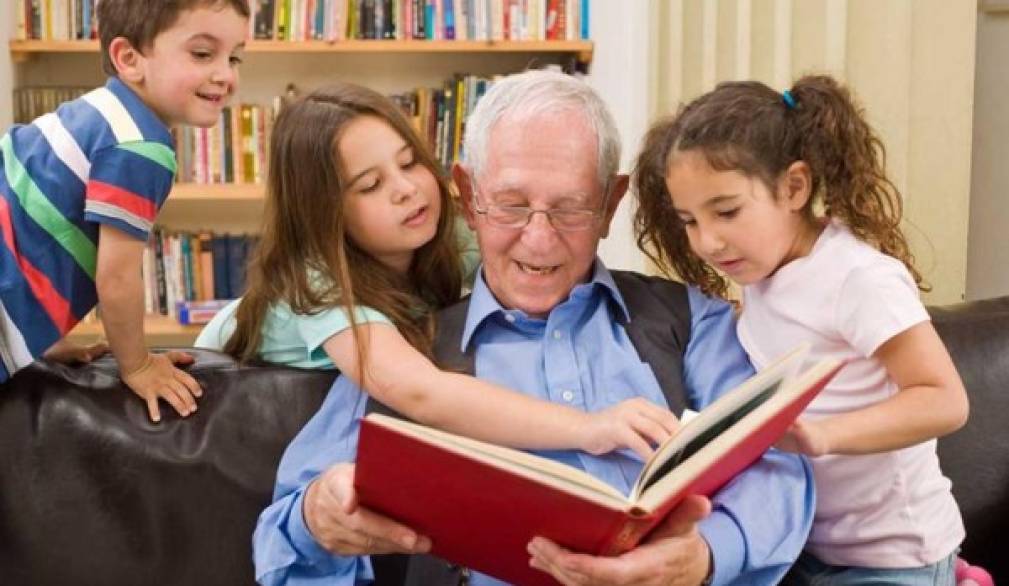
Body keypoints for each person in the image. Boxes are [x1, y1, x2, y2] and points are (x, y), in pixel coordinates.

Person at [251, 70, 815, 586]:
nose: (538, 240)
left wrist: (706, 557)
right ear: (469, 198)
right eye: (512, 206)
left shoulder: (690, 322)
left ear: (611, 204)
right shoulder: (405, 355)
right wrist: (314, 517)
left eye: (570, 209)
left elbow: (777, 463)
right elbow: (279, 540)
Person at [197, 82, 681, 467]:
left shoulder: (444, 238)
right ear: (325, 215)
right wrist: (587, 427)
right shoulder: (318, 289)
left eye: (409, 162)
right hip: (227, 402)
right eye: (371, 185)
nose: (406, 189)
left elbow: (523, 251)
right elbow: (421, 391)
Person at [633, 75, 968, 584]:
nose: (707, 241)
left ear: (794, 187)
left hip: (894, 557)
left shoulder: (857, 278)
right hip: (805, 548)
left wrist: (822, 436)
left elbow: (945, 400)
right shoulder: (760, 273)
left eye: (726, 212)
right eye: (690, 221)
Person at [0, 0, 249, 423]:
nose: (226, 74)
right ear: (129, 59)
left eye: (235, 56)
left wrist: (41, 339)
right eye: (203, 54)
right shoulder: (139, 147)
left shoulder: (100, 111)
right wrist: (137, 365)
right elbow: (116, 276)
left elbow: (32, 224)